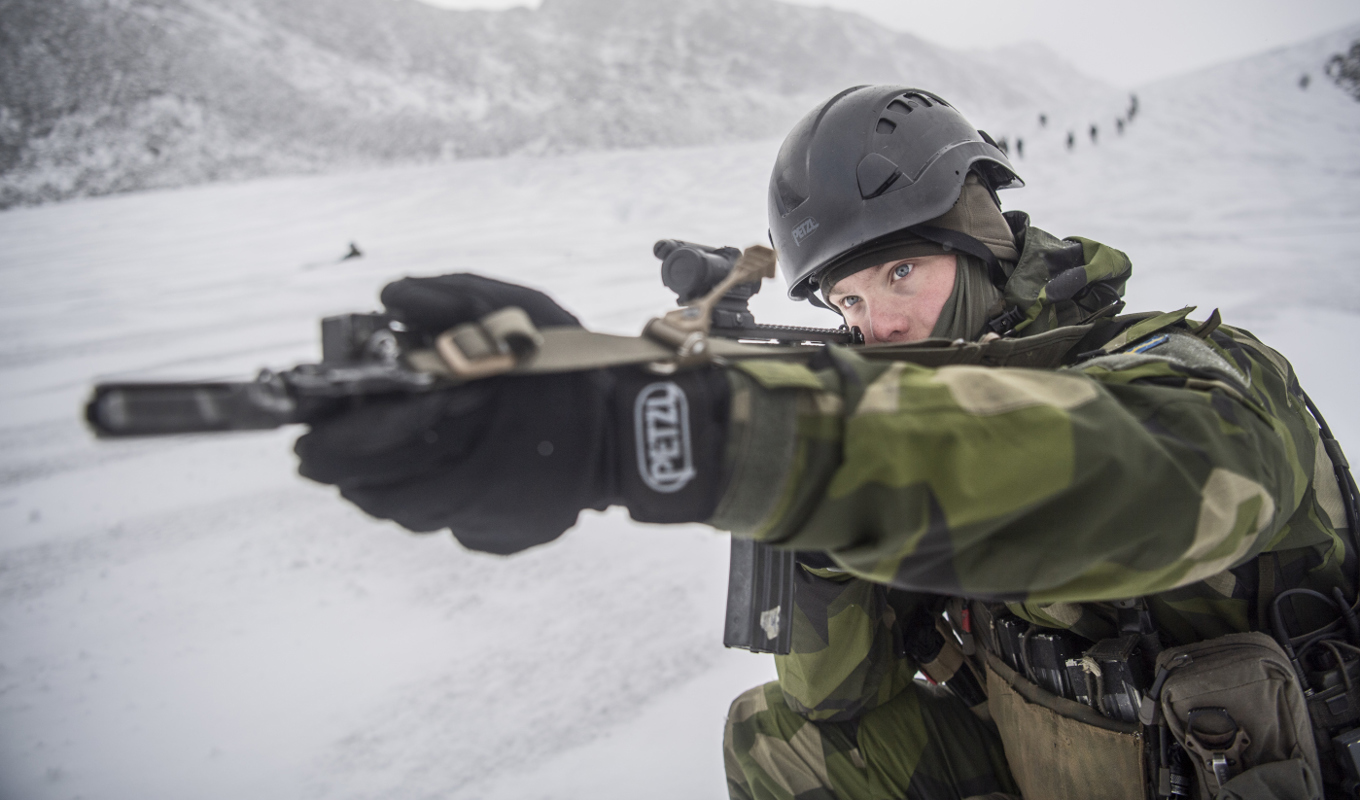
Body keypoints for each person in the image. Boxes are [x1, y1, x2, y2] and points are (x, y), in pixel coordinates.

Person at [294, 86, 1355, 799]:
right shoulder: (895, 403)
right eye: (849, 297)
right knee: (782, 737)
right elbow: (835, 698)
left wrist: (725, 437)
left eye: (900, 273)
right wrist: (804, 509)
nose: (876, 322)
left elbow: (1138, 466)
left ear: (982, 241)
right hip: (1073, 755)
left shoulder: (1194, 367)